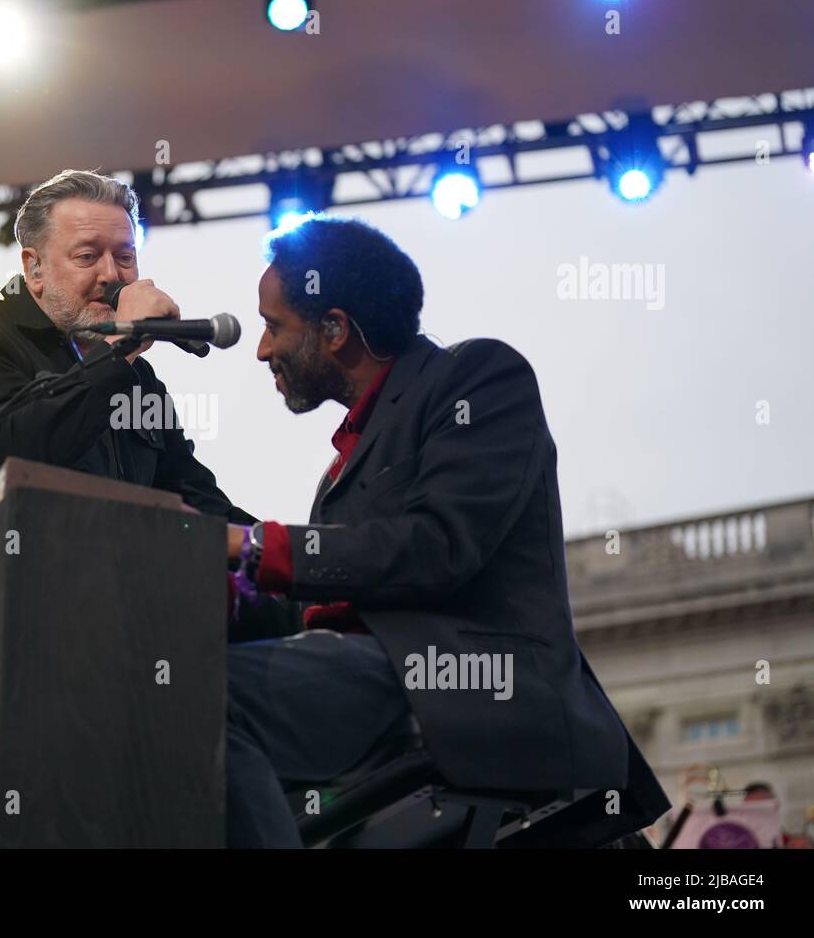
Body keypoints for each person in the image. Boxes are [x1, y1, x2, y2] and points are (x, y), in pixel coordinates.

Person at [222, 214, 670, 847]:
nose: (262, 349)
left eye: (274, 326)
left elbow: (436, 546)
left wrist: (256, 546)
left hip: (460, 685)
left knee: (206, 699)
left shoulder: (478, 377)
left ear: (335, 330)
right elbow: (329, 595)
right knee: (180, 695)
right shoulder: (344, 463)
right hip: (385, 683)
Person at [0, 168, 252, 586]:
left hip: (101, 609)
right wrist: (120, 352)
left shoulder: (137, 378)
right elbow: (12, 458)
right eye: (87, 256)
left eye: (125, 256)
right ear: (35, 269)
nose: (112, 275)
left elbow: (190, 496)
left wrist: (287, 553)